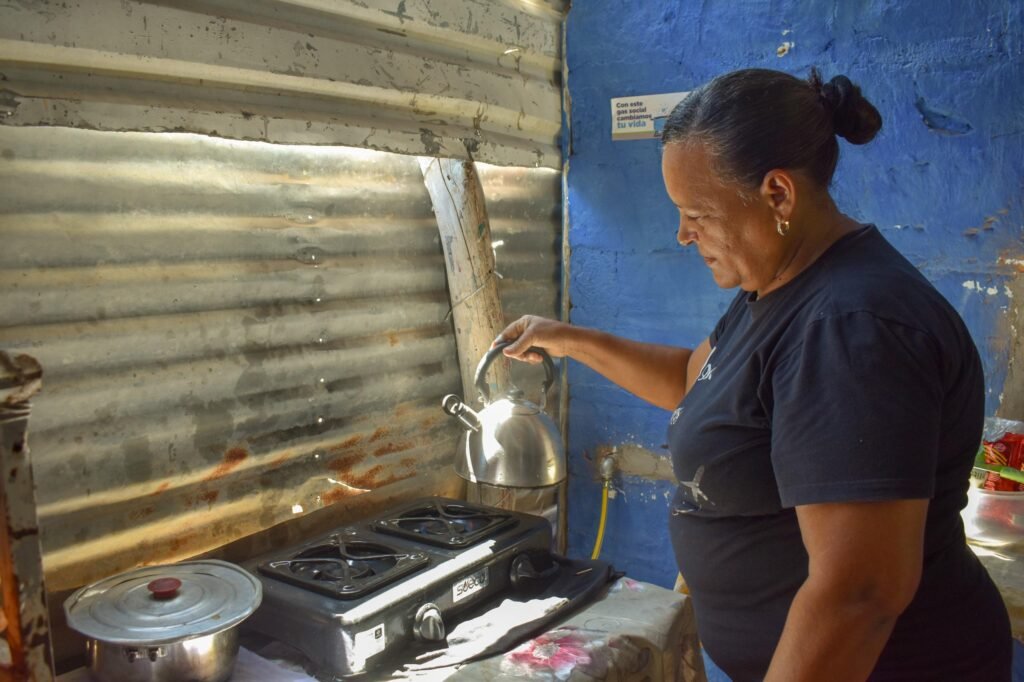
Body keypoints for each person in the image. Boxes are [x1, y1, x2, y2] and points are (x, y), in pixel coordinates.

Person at [495, 68, 1012, 681]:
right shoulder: (778, 287)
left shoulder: (851, 330)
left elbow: (859, 594)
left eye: (697, 213)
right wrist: (568, 338)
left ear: (778, 195)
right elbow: (697, 379)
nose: (683, 234)